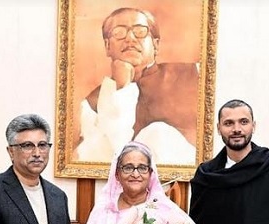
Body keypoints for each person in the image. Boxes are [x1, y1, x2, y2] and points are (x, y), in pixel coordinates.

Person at [75, 7, 199, 166]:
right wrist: (122, 87)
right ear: (107, 46)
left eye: (140, 31)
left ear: (155, 44)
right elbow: (105, 158)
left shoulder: (195, 73)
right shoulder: (91, 104)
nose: (130, 38)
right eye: (119, 32)